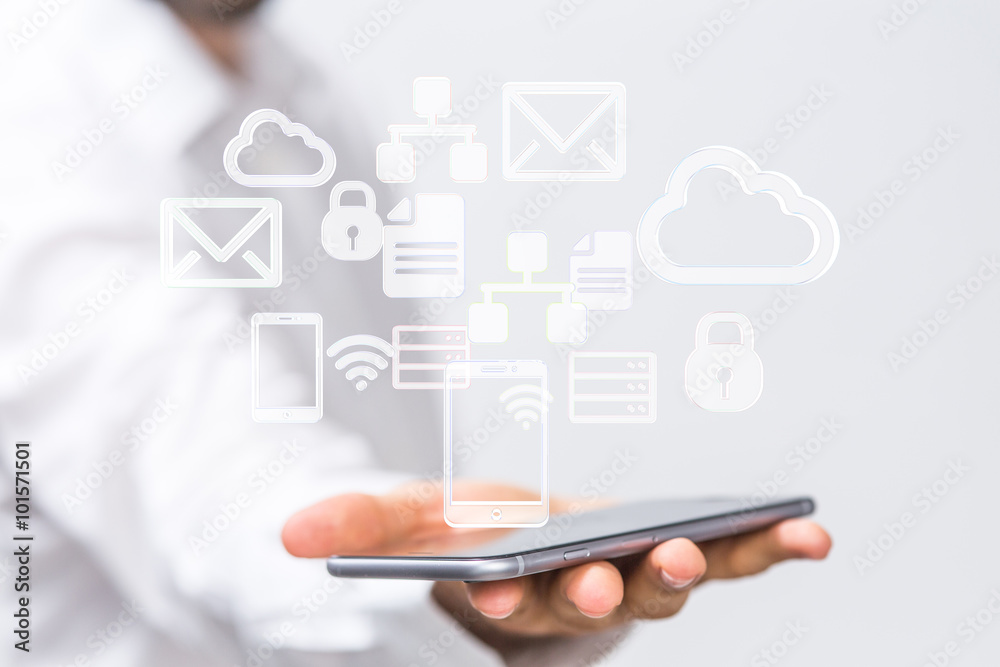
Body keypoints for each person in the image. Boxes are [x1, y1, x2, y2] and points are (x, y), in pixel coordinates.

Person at [0, 0, 831, 664]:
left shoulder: (297, 89)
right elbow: (224, 493)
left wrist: (471, 582)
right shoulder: (32, 123)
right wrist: (434, 585)